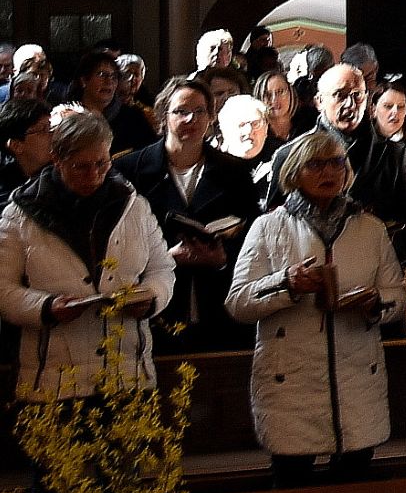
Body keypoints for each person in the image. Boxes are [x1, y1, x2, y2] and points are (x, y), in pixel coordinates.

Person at [226, 131, 406, 488]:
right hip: (292, 381)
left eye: (337, 163)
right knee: (292, 489)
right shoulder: (269, 227)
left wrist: (375, 303)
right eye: (316, 164)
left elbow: (396, 294)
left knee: (355, 490)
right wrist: (286, 283)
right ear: (295, 172)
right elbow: (238, 302)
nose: (329, 172)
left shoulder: (368, 227)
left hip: (356, 376)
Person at [0, 112, 172, 400]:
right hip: (54, 381)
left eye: (101, 164)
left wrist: (152, 297)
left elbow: (162, 268)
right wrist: (46, 307)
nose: (93, 176)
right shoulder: (20, 215)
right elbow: (3, 289)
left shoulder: (134, 206)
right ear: (57, 159)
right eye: (80, 167)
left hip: (127, 375)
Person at [115, 77, 260, 353]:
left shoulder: (234, 172)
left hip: (219, 307)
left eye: (200, 111)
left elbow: (253, 237)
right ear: (163, 115)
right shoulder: (130, 170)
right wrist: (164, 259)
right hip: (155, 309)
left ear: (211, 117)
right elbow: (117, 243)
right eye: (181, 111)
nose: (191, 119)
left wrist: (222, 257)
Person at [279, 66, 406, 259]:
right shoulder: (290, 155)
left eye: (357, 95)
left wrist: (379, 262)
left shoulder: (394, 155)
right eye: (340, 95)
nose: (350, 104)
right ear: (319, 101)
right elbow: (278, 229)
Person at [71, 50, 155, 156]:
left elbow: (149, 154)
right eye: (102, 75)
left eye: (114, 76)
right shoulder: (66, 115)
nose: (109, 81)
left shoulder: (133, 117)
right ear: (84, 80)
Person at [0, 100, 54, 200]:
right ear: (16, 146)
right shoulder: (7, 194)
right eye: (43, 130)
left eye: (51, 127)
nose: (53, 135)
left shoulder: (62, 175)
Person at [217, 94, 269, 162]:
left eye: (255, 124)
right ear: (225, 131)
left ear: (266, 128)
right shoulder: (212, 163)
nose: (249, 131)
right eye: (241, 125)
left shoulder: (281, 159)